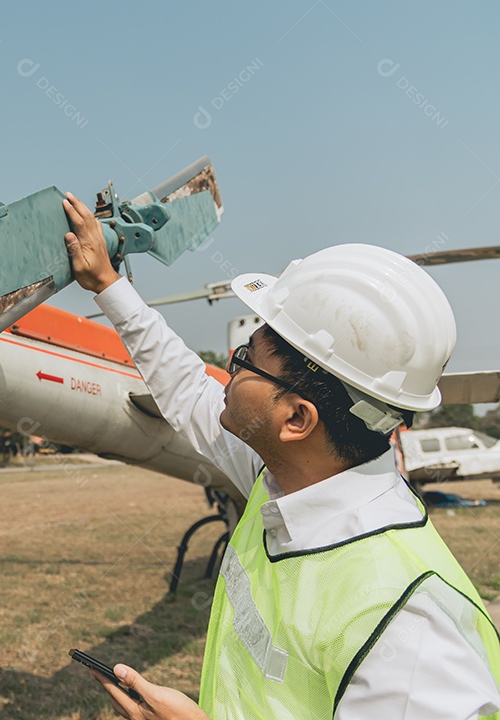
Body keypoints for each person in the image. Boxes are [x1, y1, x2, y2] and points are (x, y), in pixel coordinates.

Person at [61, 192, 500, 719]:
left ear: (297, 419)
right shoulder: (287, 482)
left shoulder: (406, 627)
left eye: (246, 359)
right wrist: (111, 286)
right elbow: (186, 389)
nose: (229, 366)